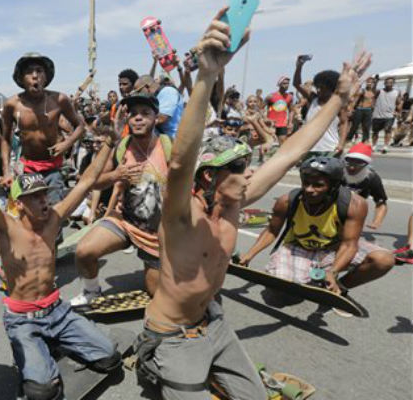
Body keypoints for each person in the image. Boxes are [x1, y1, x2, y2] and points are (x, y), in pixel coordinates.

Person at [134, 9, 372, 398]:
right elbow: (180, 162)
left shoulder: (230, 204)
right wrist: (207, 74)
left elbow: (287, 154)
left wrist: (339, 101)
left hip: (214, 323)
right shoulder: (181, 216)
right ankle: (151, 360)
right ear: (209, 177)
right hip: (172, 336)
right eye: (239, 169)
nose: (249, 175)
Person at [0, 125, 121, 400]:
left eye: (44, 194)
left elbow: (85, 182)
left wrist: (108, 143)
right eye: (34, 197)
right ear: (19, 204)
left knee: (109, 358)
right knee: (42, 392)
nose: (43, 201)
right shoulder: (6, 228)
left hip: (57, 311)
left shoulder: (55, 218)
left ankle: (53, 343)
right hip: (23, 321)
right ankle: (34, 360)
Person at [239, 157, 394, 310]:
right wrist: (249, 254)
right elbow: (272, 231)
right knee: (278, 298)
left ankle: (339, 287)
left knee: (383, 260)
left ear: (334, 185)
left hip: (336, 248)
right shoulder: (287, 200)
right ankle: (310, 280)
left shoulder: (355, 204)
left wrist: (333, 272)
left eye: (318, 185)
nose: (309, 189)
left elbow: (349, 244)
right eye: (306, 183)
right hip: (300, 247)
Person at [71, 93, 171, 305]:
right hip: (124, 221)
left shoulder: (170, 147)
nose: (138, 118)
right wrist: (116, 175)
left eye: (145, 113)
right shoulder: (122, 147)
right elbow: (92, 181)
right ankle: (91, 291)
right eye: (133, 114)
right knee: (83, 251)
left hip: (157, 232)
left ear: (156, 118)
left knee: (156, 292)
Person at [0, 53, 86, 206]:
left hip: (53, 168)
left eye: (39, 71)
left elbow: (80, 126)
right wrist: (6, 172)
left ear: (46, 77)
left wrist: (67, 144)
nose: (35, 76)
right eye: (29, 72)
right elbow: (4, 139)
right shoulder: (12, 104)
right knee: (30, 216)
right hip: (27, 169)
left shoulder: (59, 100)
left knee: (54, 215)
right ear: (21, 79)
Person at [294, 56, 350, 158]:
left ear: (331, 88)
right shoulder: (313, 98)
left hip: (330, 148)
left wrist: (341, 144)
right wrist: (299, 66)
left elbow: (343, 123)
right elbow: (297, 84)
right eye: (318, 87)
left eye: (323, 88)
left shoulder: (337, 104)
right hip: (308, 147)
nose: (319, 91)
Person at [342, 143, 388, 229]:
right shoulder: (337, 171)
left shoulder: (372, 178)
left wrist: (376, 222)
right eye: (349, 163)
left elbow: (381, 203)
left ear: (367, 165)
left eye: (358, 164)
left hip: (354, 209)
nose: (352, 168)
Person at [133, 75, 184, 139]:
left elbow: (161, 118)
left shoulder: (168, 91)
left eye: (138, 91)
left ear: (146, 87)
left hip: (174, 141)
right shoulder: (155, 97)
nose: (138, 95)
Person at [371, 77, 402, 153]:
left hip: (389, 115)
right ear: (384, 83)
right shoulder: (379, 91)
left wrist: (398, 112)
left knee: (388, 130)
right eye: (387, 82)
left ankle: (385, 147)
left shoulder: (397, 92)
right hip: (377, 115)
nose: (389, 84)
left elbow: (398, 103)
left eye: (390, 82)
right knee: (375, 132)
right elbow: (373, 93)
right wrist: (375, 83)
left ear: (393, 83)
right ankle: (374, 145)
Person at [348, 76, 377, 143]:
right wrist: (351, 109)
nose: (369, 83)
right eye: (368, 82)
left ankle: (365, 140)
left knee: (367, 126)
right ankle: (349, 139)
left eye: (371, 82)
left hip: (368, 110)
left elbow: (374, 101)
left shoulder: (374, 92)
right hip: (360, 109)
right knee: (355, 125)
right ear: (366, 83)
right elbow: (355, 100)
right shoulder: (362, 91)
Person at [265, 76, 293, 144]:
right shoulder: (271, 96)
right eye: (284, 83)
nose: (286, 85)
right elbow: (261, 108)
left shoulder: (289, 97)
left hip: (282, 124)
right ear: (279, 84)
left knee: (283, 144)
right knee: (270, 144)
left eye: (288, 84)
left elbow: (291, 110)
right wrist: (265, 119)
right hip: (271, 124)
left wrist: (290, 122)